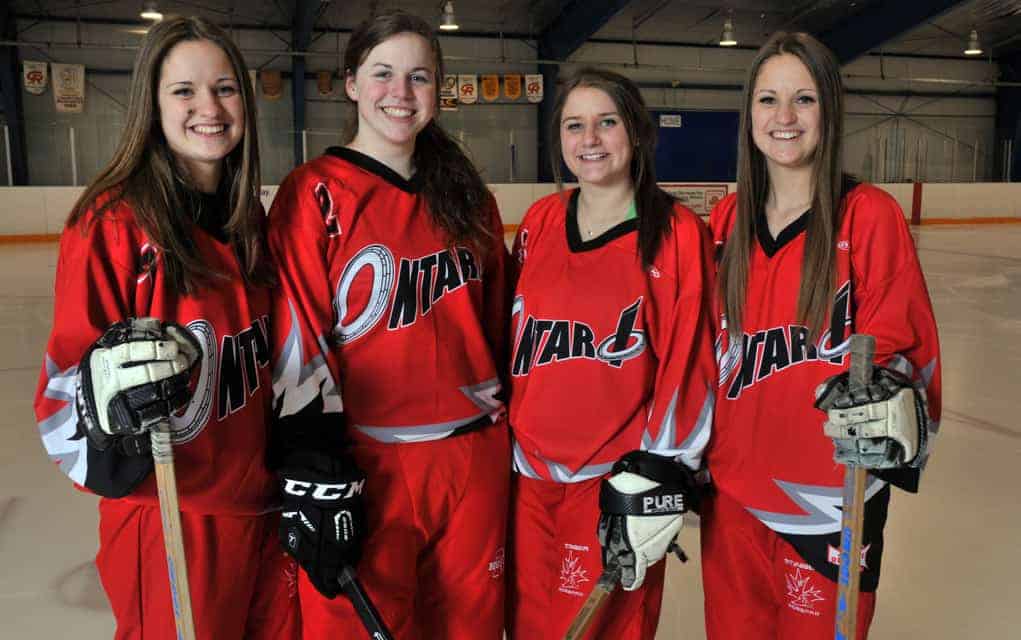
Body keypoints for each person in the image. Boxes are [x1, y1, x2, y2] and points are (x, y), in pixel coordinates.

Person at [32, 15, 298, 640]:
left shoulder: (247, 218)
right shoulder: (113, 221)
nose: (209, 107)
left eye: (225, 88)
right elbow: (60, 399)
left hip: (259, 505)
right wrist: (102, 412)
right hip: (174, 518)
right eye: (184, 91)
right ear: (151, 104)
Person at [266, 11, 512, 639]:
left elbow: (498, 329)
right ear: (350, 84)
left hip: (472, 457)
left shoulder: (466, 194)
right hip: (370, 464)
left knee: (471, 627)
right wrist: (311, 464)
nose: (400, 94)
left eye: (419, 77)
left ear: (438, 90)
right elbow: (300, 341)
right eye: (383, 74)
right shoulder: (313, 192)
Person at [705, 31, 942, 639]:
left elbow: (906, 349)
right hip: (732, 499)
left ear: (828, 111)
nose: (784, 118)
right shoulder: (728, 221)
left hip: (827, 508)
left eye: (804, 99)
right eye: (767, 100)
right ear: (748, 113)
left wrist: (894, 400)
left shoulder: (869, 215)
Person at [505, 67, 717, 640]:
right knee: (526, 624)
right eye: (575, 125)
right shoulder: (541, 222)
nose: (590, 139)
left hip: (613, 482)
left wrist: (660, 470)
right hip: (528, 479)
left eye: (606, 122)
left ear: (637, 132)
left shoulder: (675, 232)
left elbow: (690, 359)